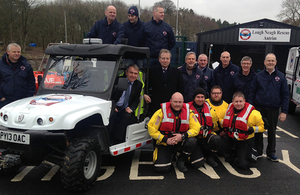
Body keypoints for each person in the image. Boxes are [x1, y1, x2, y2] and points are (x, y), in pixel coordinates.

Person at [248, 53, 289, 162]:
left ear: (275, 62)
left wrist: (284, 111)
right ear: (264, 62)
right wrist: (250, 109)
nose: (270, 62)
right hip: (258, 108)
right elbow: (252, 92)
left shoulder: (281, 76)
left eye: (272, 60)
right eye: (268, 60)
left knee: (271, 131)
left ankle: (271, 152)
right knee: (258, 130)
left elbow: (285, 94)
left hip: (273, 109)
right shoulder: (258, 76)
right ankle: (258, 151)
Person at [148, 92, 200, 173]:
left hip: (181, 141)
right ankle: (168, 155)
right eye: (175, 102)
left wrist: (183, 136)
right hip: (165, 143)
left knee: (198, 162)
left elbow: (196, 128)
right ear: (170, 101)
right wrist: (165, 139)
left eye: (180, 102)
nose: (178, 104)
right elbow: (152, 129)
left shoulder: (189, 112)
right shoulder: (161, 112)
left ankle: (181, 159)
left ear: (183, 102)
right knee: (161, 168)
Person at [220, 92, 265, 169]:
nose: (238, 104)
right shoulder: (228, 110)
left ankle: (246, 153)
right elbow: (220, 118)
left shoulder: (254, 114)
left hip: (245, 142)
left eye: (240, 101)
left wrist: (251, 129)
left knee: (243, 165)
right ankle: (233, 154)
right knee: (228, 158)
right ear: (232, 101)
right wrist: (225, 127)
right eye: (236, 101)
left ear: (244, 101)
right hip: (231, 139)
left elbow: (263, 127)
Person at [109, 64, 143, 144]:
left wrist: (131, 109)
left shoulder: (138, 84)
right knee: (112, 117)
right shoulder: (117, 80)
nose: (133, 75)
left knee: (127, 117)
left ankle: (117, 140)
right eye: (131, 73)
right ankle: (109, 139)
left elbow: (136, 100)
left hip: (126, 108)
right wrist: (113, 106)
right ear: (126, 73)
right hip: (115, 106)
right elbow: (111, 95)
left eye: (135, 73)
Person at [144, 49, 184, 115]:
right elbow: (146, 86)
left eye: (167, 58)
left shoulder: (177, 72)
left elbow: (181, 88)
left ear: (170, 59)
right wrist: (145, 95)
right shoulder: (152, 71)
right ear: (159, 59)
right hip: (156, 105)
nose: (165, 61)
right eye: (163, 58)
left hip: (171, 105)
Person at [188, 88, 221, 168]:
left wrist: (211, 126)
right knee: (198, 163)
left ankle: (210, 157)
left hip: (206, 135)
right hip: (193, 138)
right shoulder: (187, 109)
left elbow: (216, 124)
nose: (200, 99)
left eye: (202, 97)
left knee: (217, 139)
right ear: (194, 98)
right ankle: (183, 158)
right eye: (198, 97)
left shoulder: (209, 109)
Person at [0, 43, 35, 108]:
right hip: (4, 101)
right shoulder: (1, 65)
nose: (17, 54)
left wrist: (28, 97)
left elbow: (31, 83)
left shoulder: (26, 65)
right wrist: (1, 97)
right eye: (14, 52)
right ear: (8, 52)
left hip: (22, 101)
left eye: (18, 52)